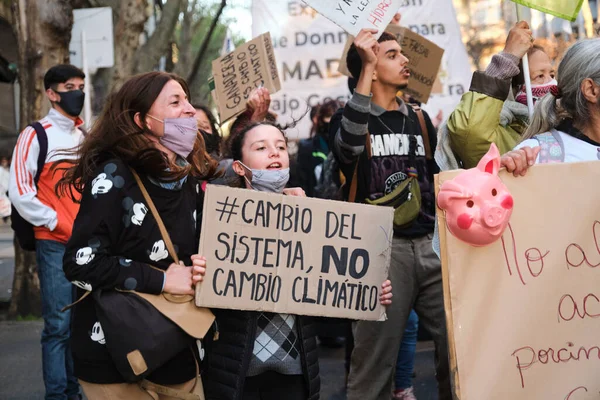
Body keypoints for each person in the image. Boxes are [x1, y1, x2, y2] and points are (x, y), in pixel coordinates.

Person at [200, 120, 393, 400]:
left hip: (295, 373)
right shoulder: (220, 220)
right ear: (239, 167)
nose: (274, 153)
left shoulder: (309, 219)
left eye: (280, 146)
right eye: (261, 147)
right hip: (237, 374)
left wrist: (368, 289)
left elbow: (323, 292)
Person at [58, 71, 218, 399]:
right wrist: (160, 280)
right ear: (143, 120)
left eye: (187, 100)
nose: (190, 109)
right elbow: (80, 263)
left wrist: (197, 267)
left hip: (176, 351)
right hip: (113, 359)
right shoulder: (114, 176)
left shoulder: (186, 179)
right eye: (176, 102)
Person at [331, 28, 451, 400]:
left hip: (429, 247)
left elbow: (435, 176)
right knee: (374, 363)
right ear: (370, 64)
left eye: (403, 53)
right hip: (380, 254)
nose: (405, 60)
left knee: (459, 345)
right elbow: (348, 147)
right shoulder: (347, 118)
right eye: (392, 54)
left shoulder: (418, 117)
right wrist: (365, 65)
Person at [8, 64, 86, 400]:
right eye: (69, 86)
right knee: (58, 327)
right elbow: (20, 191)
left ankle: (76, 392)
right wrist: (55, 222)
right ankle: (57, 396)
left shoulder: (84, 136)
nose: (77, 93)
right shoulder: (34, 134)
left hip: (84, 246)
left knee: (79, 327)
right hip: (53, 244)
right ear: (51, 93)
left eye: (81, 86)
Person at [442, 21, 555, 170]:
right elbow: (470, 133)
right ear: (516, 90)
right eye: (540, 76)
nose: (551, 82)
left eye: (552, 74)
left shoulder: (564, 123)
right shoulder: (500, 133)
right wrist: (507, 59)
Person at [502, 38, 600, 173]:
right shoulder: (537, 156)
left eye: (551, 74)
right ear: (591, 90)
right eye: (540, 76)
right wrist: (505, 171)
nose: (548, 79)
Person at [296, 100, 341, 198]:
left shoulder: (349, 148)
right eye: (329, 116)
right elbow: (303, 180)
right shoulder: (307, 147)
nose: (332, 121)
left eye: (338, 118)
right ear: (320, 120)